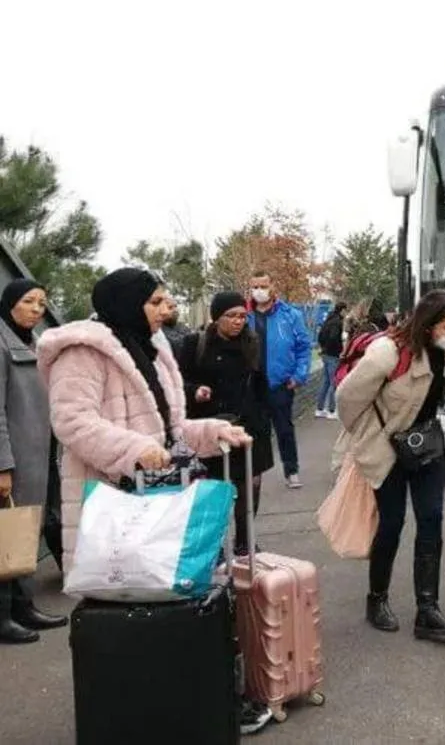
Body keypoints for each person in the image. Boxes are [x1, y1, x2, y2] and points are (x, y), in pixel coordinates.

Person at [36, 269, 272, 734]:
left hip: (162, 495)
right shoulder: (82, 352)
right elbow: (72, 422)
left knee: (182, 606)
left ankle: (192, 705)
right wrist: (134, 450)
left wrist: (212, 431)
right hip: (114, 502)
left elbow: (171, 428)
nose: (168, 309)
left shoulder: (155, 347)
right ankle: (135, 714)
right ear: (128, 304)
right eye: (157, 301)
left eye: (166, 300)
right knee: (129, 617)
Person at [334, 288, 445, 638]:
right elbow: (347, 399)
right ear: (428, 324)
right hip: (386, 448)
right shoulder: (388, 352)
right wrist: (366, 437)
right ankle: (377, 598)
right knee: (391, 523)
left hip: (425, 445)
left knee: (432, 520)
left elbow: (441, 391)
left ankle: (428, 609)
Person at [178, 292, 275, 556]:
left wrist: (265, 419)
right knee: (213, 487)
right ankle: (213, 546)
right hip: (210, 428)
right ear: (216, 317)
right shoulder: (195, 344)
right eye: (231, 316)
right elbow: (178, 382)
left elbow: (261, 383)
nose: (238, 321)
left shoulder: (253, 342)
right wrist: (195, 391)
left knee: (250, 485)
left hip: (248, 426)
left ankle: (244, 541)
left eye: (243, 316)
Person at [0, 279, 67, 644]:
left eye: (42, 303)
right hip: (14, 458)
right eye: (28, 302)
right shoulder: (2, 345)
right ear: (10, 304)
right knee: (6, 534)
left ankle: (23, 606)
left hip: (39, 453)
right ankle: (3, 615)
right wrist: (2, 465)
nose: (37, 310)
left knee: (27, 530)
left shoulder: (34, 343)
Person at [245, 270, 312, 490]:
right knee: (254, 430)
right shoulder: (244, 315)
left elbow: (303, 347)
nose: (259, 291)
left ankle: (291, 470)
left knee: (284, 429)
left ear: (272, 286)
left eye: (263, 286)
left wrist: (299, 375)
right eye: (255, 287)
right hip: (251, 384)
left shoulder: (290, 315)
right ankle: (254, 472)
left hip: (280, 383)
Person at [315, 302, 347, 419]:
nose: (346, 313)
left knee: (326, 382)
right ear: (342, 310)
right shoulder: (337, 322)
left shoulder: (328, 320)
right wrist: (339, 350)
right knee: (334, 382)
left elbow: (320, 336)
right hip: (333, 355)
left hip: (325, 354)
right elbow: (334, 338)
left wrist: (323, 348)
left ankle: (319, 409)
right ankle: (332, 410)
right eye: (345, 310)